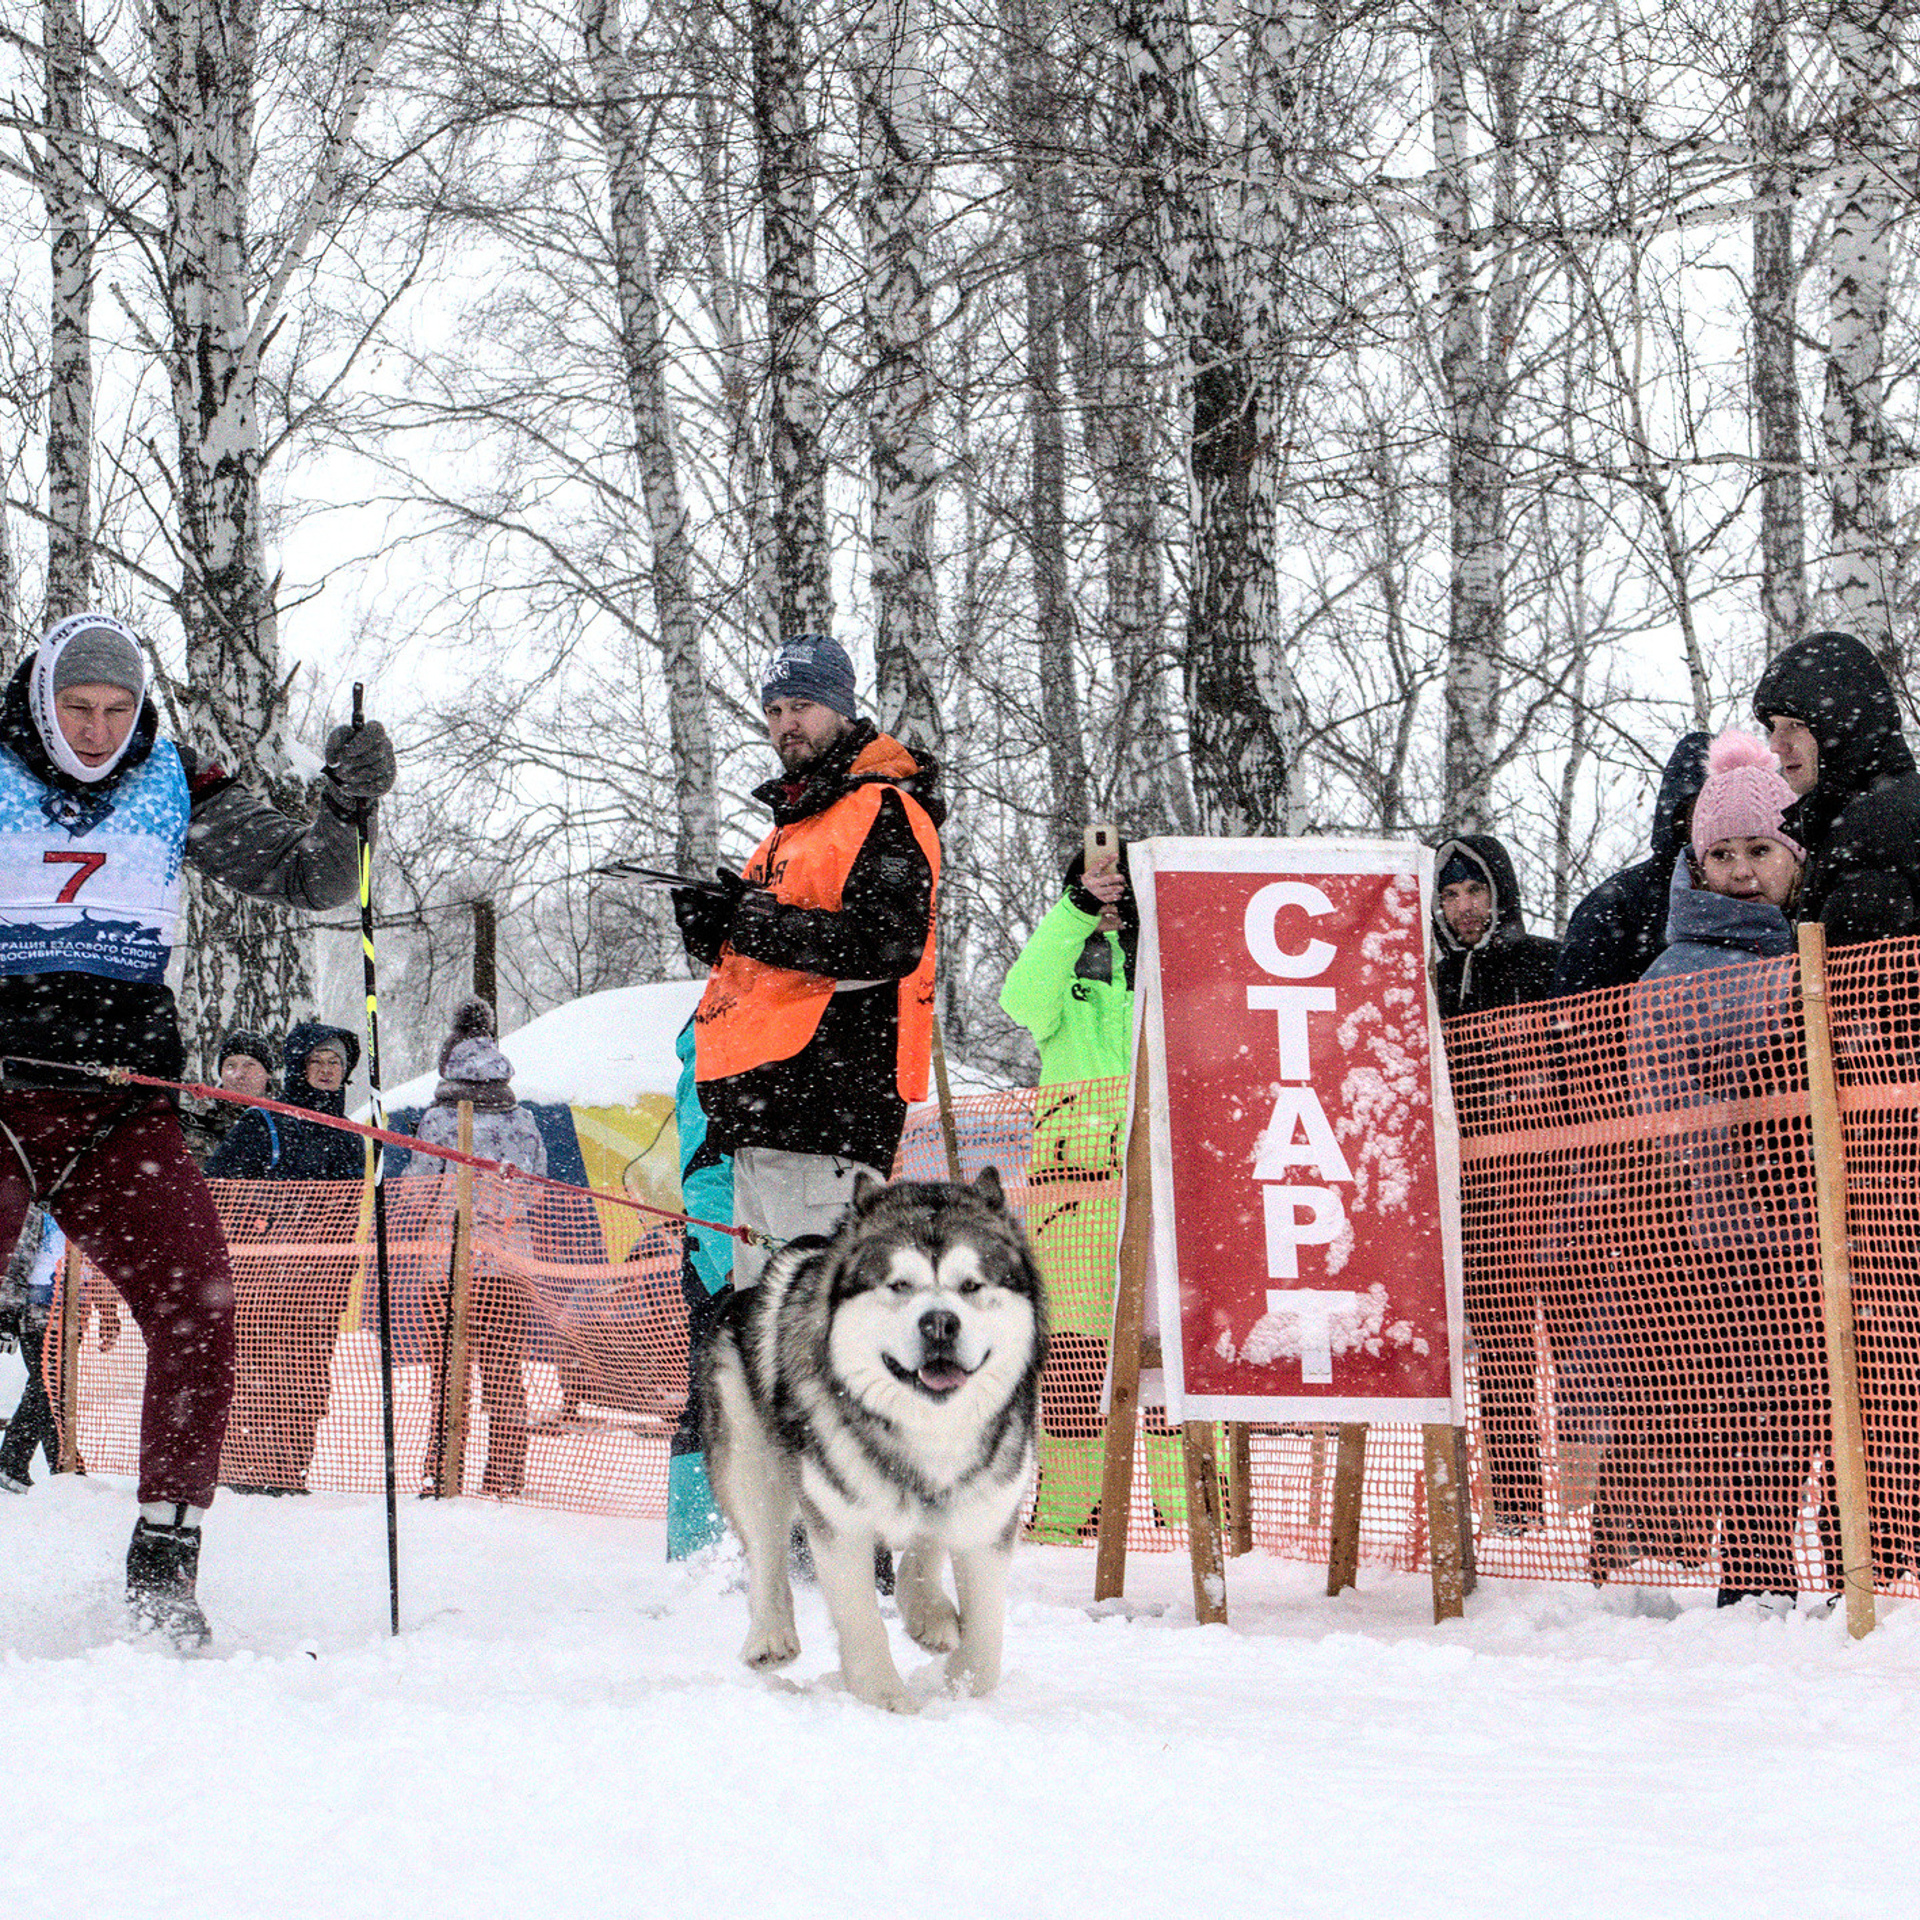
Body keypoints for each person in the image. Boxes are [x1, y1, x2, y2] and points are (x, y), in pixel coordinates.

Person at [0, 609, 393, 1645]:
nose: (95, 731)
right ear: (43, 702)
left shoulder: (177, 782)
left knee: (198, 1304)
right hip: (1, 1094)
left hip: (119, 1104)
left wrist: (346, 807)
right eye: (78, 710)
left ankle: (165, 1560)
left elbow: (313, 876)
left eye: (117, 711)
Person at [1629, 728, 1836, 1612]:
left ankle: (1846, 1573)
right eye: (1723, 852)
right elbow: (1675, 1116)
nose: (1744, 869)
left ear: (1794, 853)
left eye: (1762, 848)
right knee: (1768, 1412)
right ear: (1698, 862)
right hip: (1742, 1230)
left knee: (1824, 1408)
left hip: (1820, 1219)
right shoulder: (1685, 970)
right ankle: (1753, 1586)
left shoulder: (1806, 947)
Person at [671, 633, 943, 1283]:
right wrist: (717, 929)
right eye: (773, 711)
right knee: (772, 1343)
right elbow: (772, 953)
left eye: (801, 706)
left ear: (841, 708)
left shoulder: (882, 809)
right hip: (761, 1117)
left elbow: (887, 945)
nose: (785, 725)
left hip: (827, 1112)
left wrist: (755, 922)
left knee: (809, 1341)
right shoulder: (792, 828)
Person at [999, 835, 1189, 1538]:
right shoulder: (1062, 980)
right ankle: (1066, 1519)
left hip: (1164, 1191)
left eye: (1117, 879)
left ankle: (1196, 1510)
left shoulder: (1170, 968)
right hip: (1072, 1196)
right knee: (1076, 1361)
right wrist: (1076, 912)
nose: (1108, 889)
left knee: (1175, 1352)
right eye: (1092, 879)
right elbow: (1018, 999)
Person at [1429, 832, 1561, 1533]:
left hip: (1555, 1187)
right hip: (1477, 1201)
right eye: (1448, 895)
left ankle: (1593, 1502)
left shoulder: (1547, 961)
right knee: (1503, 1363)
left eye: (1475, 890)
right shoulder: (1429, 986)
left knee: (1582, 1354)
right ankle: (1517, 1508)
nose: (1464, 908)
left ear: (1501, 892)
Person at [209, 1019, 366, 1497]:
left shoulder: (349, 1135)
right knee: (255, 1378)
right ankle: (242, 1470)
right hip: (260, 1281)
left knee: (306, 1384)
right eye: (315, 1060)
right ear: (298, 1067)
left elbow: (348, 1215)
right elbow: (217, 1193)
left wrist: (336, 1275)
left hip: (319, 1287)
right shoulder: (266, 1121)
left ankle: (289, 1469)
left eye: (334, 1062)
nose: (325, 1070)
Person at [409, 997, 547, 1499]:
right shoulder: (523, 1120)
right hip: (509, 1264)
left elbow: (418, 1190)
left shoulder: (441, 1120)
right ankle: (506, 1478)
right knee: (505, 1377)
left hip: (447, 1264)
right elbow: (537, 1187)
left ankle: (441, 1474)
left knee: (449, 1379)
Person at [1753, 628, 1920, 945]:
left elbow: (1863, 986)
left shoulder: (1871, 829)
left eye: (1796, 726)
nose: (1776, 744)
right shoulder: (1882, 808)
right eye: (1773, 727)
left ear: (1842, 726)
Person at [1553, 734, 1712, 998]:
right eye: (1705, 808)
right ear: (1679, 814)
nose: (1717, 822)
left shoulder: (1767, 892)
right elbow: (1570, 1024)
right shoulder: (1614, 906)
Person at [181, 1029, 278, 1166]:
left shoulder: (287, 1121)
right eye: (230, 1066)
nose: (238, 1075)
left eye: (249, 1065)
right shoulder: (199, 1120)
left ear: (268, 1074)